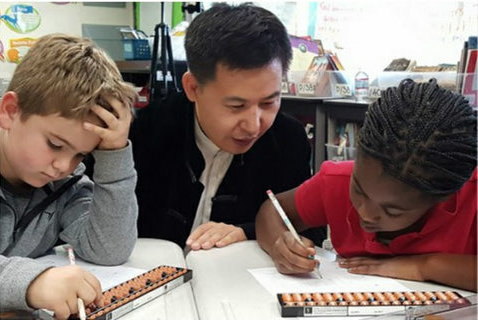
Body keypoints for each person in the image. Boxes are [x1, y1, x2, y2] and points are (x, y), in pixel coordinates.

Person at [256, 78, 477, 292]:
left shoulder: (471, 195)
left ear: (442, 197)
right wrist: (281, 244)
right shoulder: (338, 181)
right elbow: (272, 210)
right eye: (359, 190)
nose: (366, 214)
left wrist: (423, 266)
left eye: (392, 211)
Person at [130, 3, 319, 250]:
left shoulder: (288, 140)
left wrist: (248, 232)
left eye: (269, 102)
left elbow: (309, 228)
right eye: (236, 106)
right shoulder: (146, 132)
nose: (254, 125)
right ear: (193, 88)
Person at [0, 34, 139, 318]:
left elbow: (108, 249)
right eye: (55, 145)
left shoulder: (66, 183)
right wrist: (33, 282)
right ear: (10, 111)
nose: (63, 166)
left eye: (80, 154)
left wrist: (114, 153)